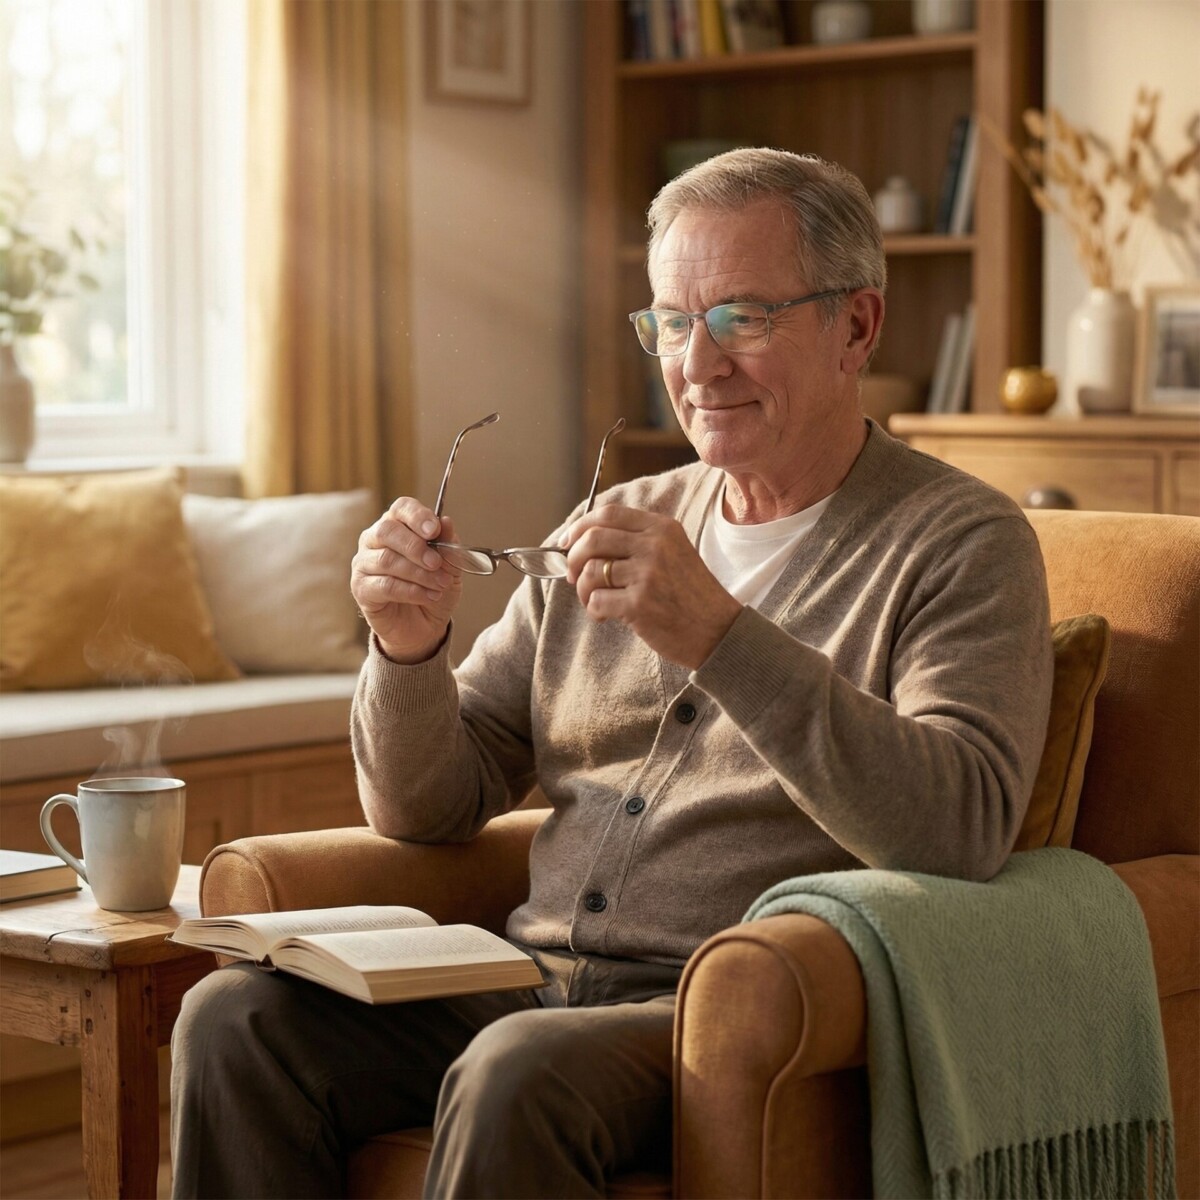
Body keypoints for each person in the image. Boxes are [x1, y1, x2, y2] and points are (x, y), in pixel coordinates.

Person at [171, 148, 1054, 1199]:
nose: (698, 363)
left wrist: (720, 635)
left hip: (722, 1012)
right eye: (672, 323)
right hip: (524, 986)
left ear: (856, 326)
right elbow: (425, 809)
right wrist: (407, 649)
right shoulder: (611, 524)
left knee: (515, 1073)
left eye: (742, 317)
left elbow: (958, 828)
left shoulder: (962, 541)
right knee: (236, 1020)